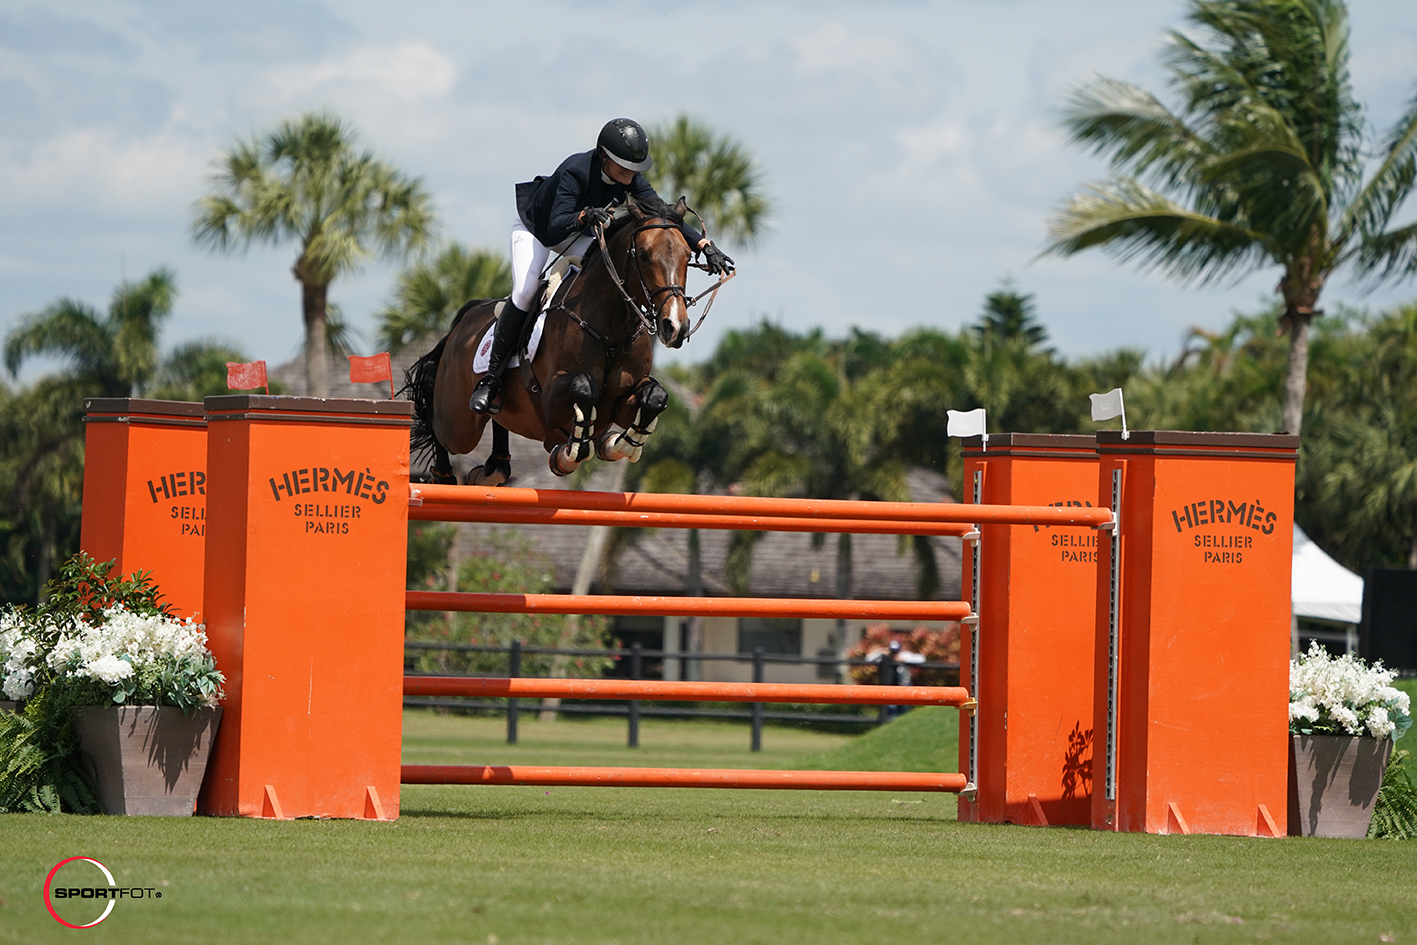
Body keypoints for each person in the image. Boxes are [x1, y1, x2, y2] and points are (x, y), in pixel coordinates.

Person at [468, 118, 736, 415]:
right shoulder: (575, 171)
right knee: (525, 290)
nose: (630, 176)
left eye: (634, 170)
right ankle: (491, 379)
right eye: (623, 168)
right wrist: (584, 216)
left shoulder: (630, 177)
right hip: (537, 230)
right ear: (604, 157)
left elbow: (664, 216)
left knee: (610, 275)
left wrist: (704, 246)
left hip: (579, 233)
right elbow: (557, 224)